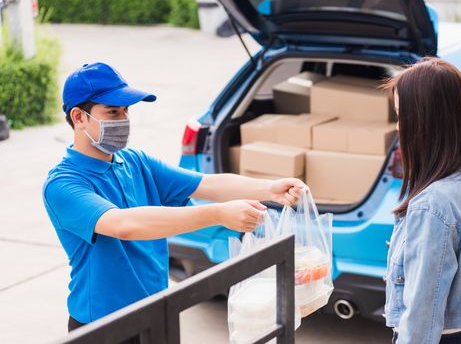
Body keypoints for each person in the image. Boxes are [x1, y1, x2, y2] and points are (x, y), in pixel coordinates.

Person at [42, 62, 304, 337]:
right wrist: (217, 214)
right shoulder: (63, 184)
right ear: (79, 117)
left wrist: (269, 188)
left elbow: (206, 183)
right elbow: (124, 225)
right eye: (112, 111)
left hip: (156, 311)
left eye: (125, 111)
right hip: (103, 325)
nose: (123, 119)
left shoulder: (134, 161)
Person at [383, 57, 461, 344]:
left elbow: (422, 315)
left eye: (401, 117)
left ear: (425, 124)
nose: (398, 128)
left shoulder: (432, 206)